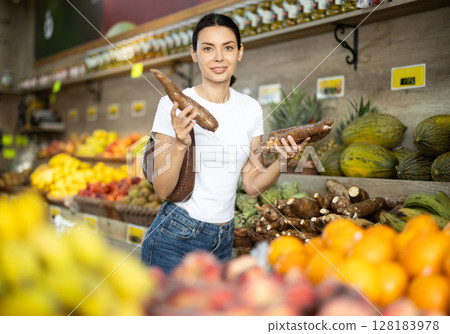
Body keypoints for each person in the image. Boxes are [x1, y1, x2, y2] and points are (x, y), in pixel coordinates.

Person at [140, 13, 309, 274]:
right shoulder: (172, 105)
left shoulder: (251, 108)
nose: (219, 57)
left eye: (228, 47)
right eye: (208, 48)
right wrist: (181, 143)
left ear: (240, 52)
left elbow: (252, 185)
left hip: (223, 239)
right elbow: (162, 189)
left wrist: (284, 161)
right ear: (194, 54)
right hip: (175, 237)